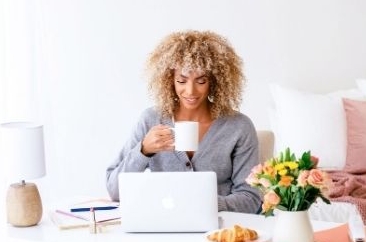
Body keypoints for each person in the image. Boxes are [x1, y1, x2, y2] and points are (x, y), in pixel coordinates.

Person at [106, 30, 261, 213]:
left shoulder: (238, 127)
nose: (190, 91)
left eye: (201, 81)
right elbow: (115, 191)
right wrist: (143, 151)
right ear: (169, 80)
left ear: (214, 81)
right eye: (181, 80)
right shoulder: (151, 119)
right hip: (165, 227)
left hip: (219, 230)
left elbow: (251, 199)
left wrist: (205, 203)